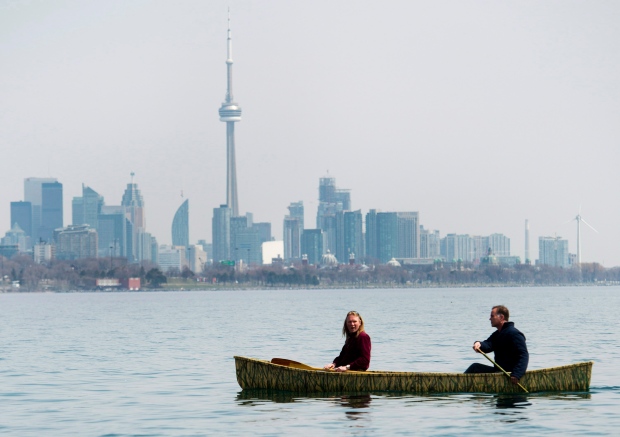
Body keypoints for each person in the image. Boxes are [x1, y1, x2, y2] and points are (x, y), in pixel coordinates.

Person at [465, 305, 529, 384]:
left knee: (475, 367)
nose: (489, 319)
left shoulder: (514, 334)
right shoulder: (497, 334)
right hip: (498, 372)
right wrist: (478, 344)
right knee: (475, 367)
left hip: (509, 375)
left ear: (501, 317)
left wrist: (517, 374)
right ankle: (460, 383)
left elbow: (523, 355)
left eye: (492, 316)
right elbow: (488, 345)